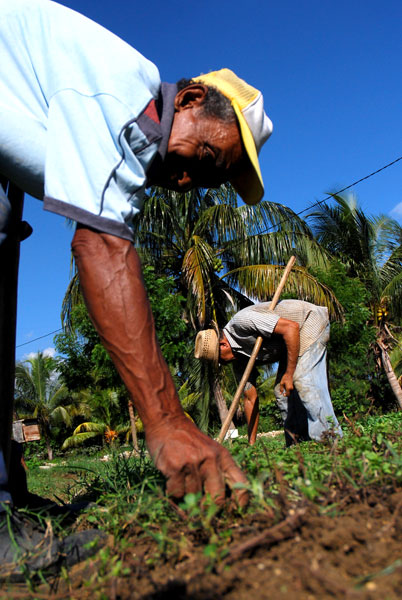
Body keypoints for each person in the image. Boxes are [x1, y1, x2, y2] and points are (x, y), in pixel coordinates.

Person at [0, 0, 274, 576]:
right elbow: (99, 243)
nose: (186, 180)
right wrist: (168, 421)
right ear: (192, 99)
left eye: (206, 179)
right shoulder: (123, 92)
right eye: (203, 155)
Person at [195, 300, 342, 446]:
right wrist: (251, 443)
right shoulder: (238, 360)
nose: (222, 364)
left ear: (223, 345)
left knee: (303, 379)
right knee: (281, 392)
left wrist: (289, 374)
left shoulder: (241, 322)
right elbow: (250, 399)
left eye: (219, 359)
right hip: (289, 345)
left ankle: (330, 439)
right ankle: (298, 442)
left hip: (308, 321)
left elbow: (291, 328)